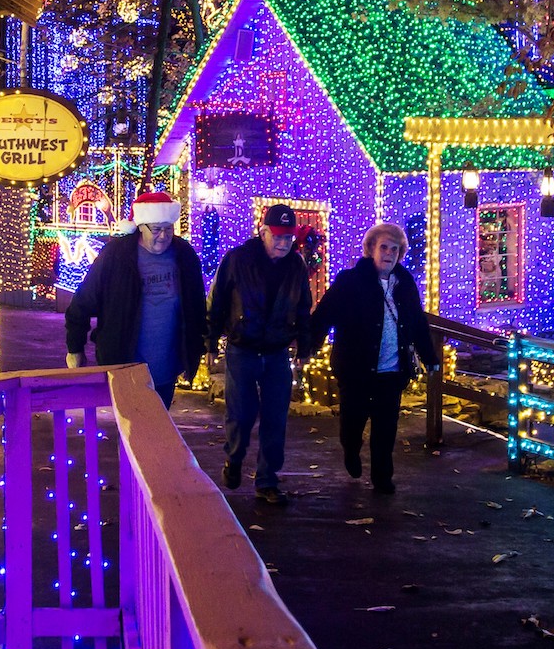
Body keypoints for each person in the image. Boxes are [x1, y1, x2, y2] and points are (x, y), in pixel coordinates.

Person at [306, 222, 437, 494]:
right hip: (355, 369)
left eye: (395, 248)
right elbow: (324, 315)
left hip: (391, 370)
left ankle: (382, 477)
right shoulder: (350, 281)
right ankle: (350, 450)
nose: (389, 253)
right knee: (353, 422)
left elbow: (417, 322)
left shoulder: (405, 283)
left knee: (386, 428)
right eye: (384, 247)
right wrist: (309, 345)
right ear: (371, 249)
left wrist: (429, 356)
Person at [206, 204, 313, 505]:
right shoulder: (238, 260)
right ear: (263, 231)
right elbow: (217, 302)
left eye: (288, 237)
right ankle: (235, 457)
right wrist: (211, 342)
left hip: (277, 350)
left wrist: (304, 347)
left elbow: (303, 307)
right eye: (277, 236)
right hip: (244, 348)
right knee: (240, 414)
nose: (283, 243)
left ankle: (267, 480)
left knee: (275, 418)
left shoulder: (296, 266)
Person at [64, 191, 204, 407]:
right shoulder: (116, 255)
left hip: (166, 369)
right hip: (123, 364)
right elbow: (83, 302)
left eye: (168, 229)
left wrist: (196, 349)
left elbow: (195, 306)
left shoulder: (184, 254)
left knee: (158, 430)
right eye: (156, 229)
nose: (164, 236)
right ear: (140, 226)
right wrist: (75, 347)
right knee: (130, 432)